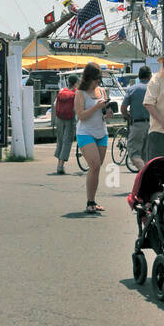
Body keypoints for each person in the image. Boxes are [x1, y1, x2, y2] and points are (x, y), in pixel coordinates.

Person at [75, 63, 110, 213]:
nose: (97, 82)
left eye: (99, 78)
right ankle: (90, 202)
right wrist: (96, 107)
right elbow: (81, 116)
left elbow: (105, 113)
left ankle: (93, 200)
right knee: (94, 165)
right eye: (95, 78)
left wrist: (107, 113)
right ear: (88, 77)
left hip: (101, 131)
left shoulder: (102, 91)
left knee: (97, 167)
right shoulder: (80, 93)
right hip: (85, 132)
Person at [121, 65, 151, 166]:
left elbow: (123, 108)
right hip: (152, 125)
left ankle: (144, 174)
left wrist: (127, 116)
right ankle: (146, 178)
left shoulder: (132, 89)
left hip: (137, 124)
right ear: (150, 76)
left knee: (134, 154)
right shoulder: (154, 89)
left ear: (139, 76)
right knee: (146, 155)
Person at [51, 76, 78, 174]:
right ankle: (60, 165)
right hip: (70, 119)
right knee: (67, 141)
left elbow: (55, 105)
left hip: (59, 118)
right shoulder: (76, 93)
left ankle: (59, 164)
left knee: (60, 140)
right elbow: (76, 108)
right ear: (75, 83)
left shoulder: (62, 91)